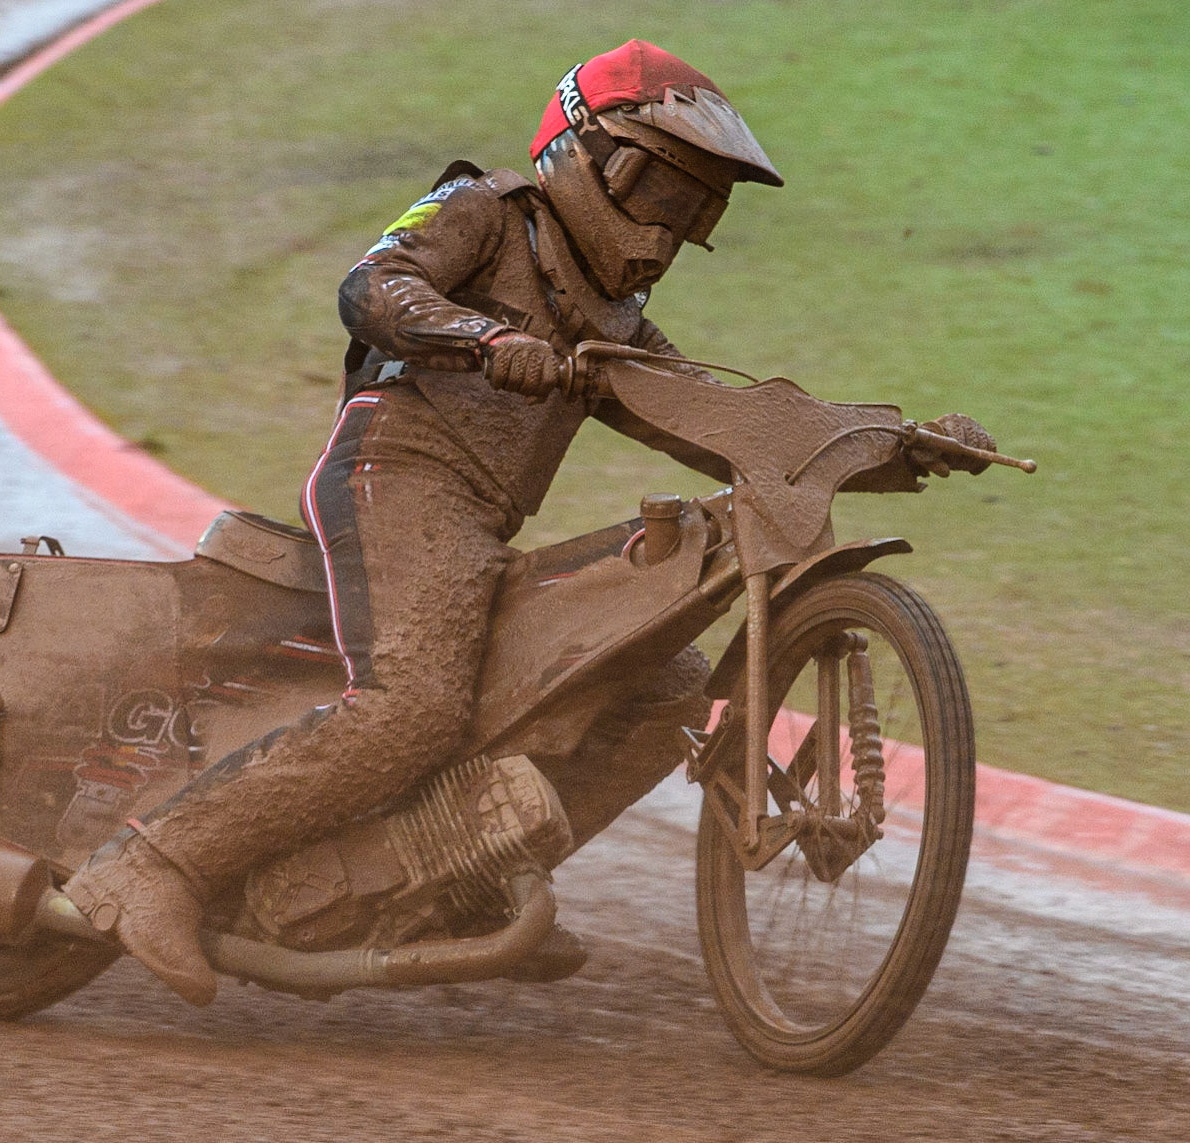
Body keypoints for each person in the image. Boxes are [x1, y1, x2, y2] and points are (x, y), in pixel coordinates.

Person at [64, 40, 792, 1006]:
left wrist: (875, 439)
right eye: (656, 189)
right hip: (396, 470)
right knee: (412, 706)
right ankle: (152, 862)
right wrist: (485, 337)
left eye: (695, 210)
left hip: (477, 525)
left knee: (666, 683)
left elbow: (708, 413)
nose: (666, 229)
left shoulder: (616, 318)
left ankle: (463, 884)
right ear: (582, 149)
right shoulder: (484, 209)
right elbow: (373, 285)